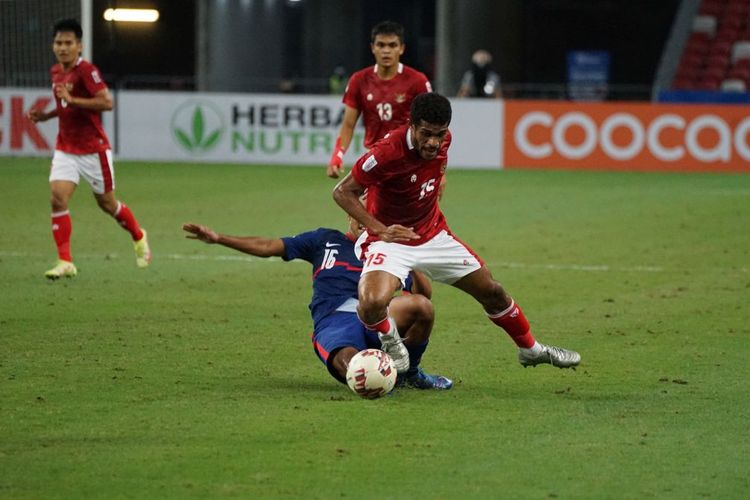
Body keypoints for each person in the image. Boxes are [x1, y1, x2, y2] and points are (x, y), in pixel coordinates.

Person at [332, 92, 580, 374]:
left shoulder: (443, 142)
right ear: (411, 125)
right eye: (426, 134)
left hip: (433, 234)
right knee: (372, 303)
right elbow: (342, 192)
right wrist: (379, 228)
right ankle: (391, 341)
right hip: (391, 240)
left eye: (439, 134)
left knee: (493, 292)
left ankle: (531, 350)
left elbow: (438, 165)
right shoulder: (387, 152)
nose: (433, 142)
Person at [181, 217, 453, 395]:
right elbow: (268, 245)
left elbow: (422, 294)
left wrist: (411, 256)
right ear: (351, 215)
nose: (364, 221)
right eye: (360, 213)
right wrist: (219, 239)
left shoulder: (389, 253)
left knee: (422, 307)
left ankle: (411, 373)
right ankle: (371, 376)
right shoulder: (324, 240)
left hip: (380, 323)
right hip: (335, 322)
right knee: (352, 367)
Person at [27, 18, 151, 279]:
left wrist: (73, 99)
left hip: (93, 150)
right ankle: (65, 261)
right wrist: (46, 116)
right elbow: (65, 107)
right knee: (57, 198)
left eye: (68, 43)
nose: (63, 48)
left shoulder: (87, 71)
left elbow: (107, 103)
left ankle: (138, 236)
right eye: (58, 43)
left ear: (79, 46)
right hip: (66, 148)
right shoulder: (56, 72)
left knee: (107, 204)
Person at [327, 20, 432, 179]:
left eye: (392, 45)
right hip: (375, 159)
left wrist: (437, 168)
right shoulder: (359, 80)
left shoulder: (417, 81)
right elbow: (348, 124)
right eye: (381, 45)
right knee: (344, 194)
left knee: (347, 194)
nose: (386, 51)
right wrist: (337, 155)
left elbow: (432, 126)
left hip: (409, 160)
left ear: (401, 48)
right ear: (372, 48)